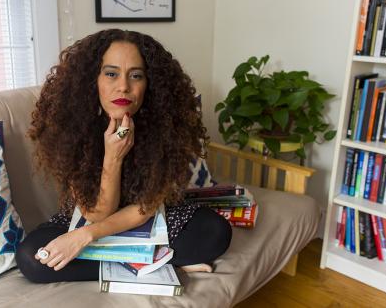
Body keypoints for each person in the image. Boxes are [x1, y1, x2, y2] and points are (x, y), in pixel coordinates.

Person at [16, 29, 232, 283]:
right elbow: (95, 214)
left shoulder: (165, 127)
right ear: (92, 80)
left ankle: (145, 264)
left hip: (143, 217)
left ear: (148, 83)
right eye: (111, 74)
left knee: (216, 232)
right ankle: (160, 265)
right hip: (88, 216)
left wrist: (85, 237)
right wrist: (113, 157)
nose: (123, 87)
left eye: (136, 76)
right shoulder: (72, 129)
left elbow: (145, 208)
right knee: (32, 257)